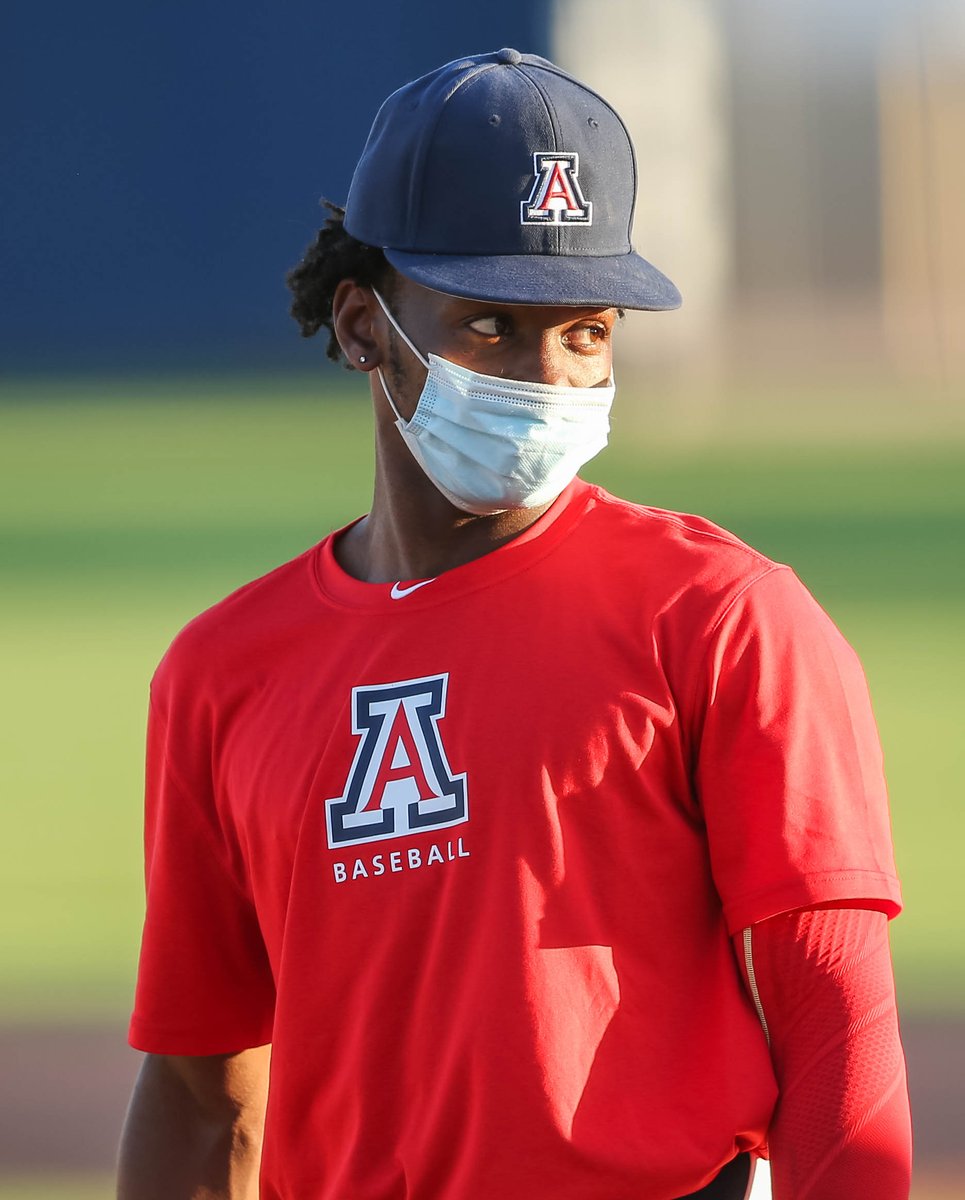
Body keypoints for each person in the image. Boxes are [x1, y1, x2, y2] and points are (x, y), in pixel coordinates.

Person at [117, 49, 912, 1200]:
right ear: (359, 326)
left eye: (585, 331)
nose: (546, 377)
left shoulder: (722, 618)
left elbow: (836, 1024)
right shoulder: (222, 673)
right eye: (490, 325)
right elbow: (201, 1099)